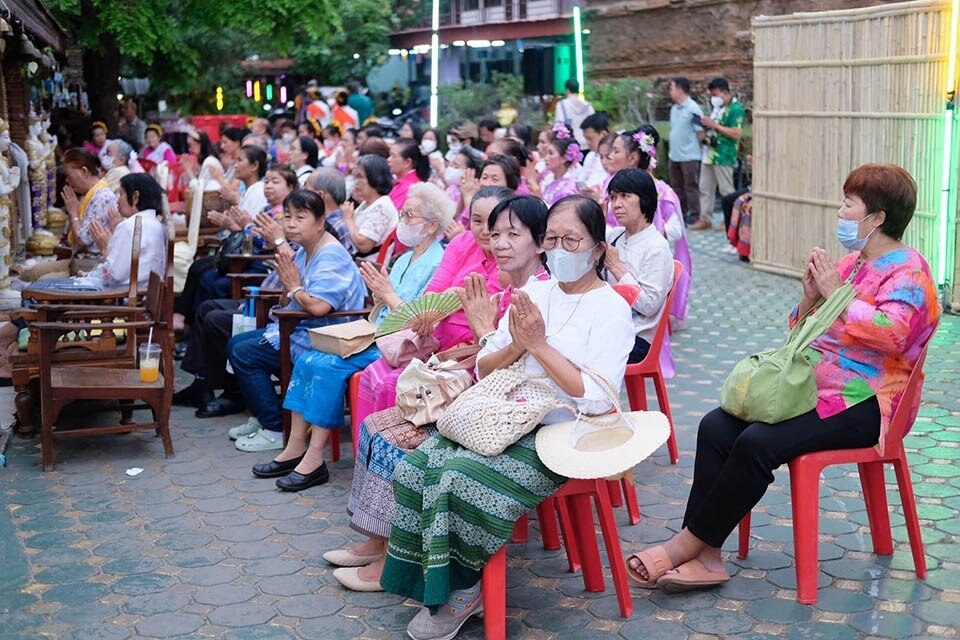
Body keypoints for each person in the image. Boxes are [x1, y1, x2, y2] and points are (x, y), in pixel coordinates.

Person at [625, 164, 940, 593]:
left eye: (849, 204)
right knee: (716, 426)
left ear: (878, 217)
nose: (841, 212)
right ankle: (709, 555)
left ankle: (685, 546)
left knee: (758, 443)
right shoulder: (850, 264)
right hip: (815, 389)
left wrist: (834, 296)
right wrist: (810, 298)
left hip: (867, 404)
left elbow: (894, 336)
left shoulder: (910, 273)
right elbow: (801, 334)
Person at [379, 195, 634, 639]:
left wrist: (538, 346)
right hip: (503, 413)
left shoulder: (611, 308)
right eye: (552, 238)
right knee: (417, 465)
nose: (559, 248)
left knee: (459, 476)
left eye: (571, 240)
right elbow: (485, 366)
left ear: (596, 250)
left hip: (563, 429)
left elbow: (595, 399)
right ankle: (443, 581)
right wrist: (518, 346)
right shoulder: (535, 291)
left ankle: (461, 590)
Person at [326, 193, 553, 593]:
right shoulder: (507, 287)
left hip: (504, 414)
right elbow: (490, 355)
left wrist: (481, 334)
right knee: (377, 427)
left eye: (511, 235)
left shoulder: (537, 295)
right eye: (493, 232)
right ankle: (377, 541)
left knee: (398, 441)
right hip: (478, 394)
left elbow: (513, 370)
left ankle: (393, 559)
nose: (497, 242)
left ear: (540, 241)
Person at [250, 183, 453, 488]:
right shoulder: (404, 258)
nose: (402, 221)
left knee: (326, 365)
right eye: (402, 213)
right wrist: (381, 293)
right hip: (378, 332)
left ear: (432, 225)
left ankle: (314, 457)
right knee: (308, 358)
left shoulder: (437, 261)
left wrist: (385, 293)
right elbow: (383, 303)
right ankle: (294, 447)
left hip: (406, 343)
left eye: (408, 215)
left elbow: (420, 318)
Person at [228, 189, 368, 452]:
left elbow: (318, 306)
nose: (291, 224)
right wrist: (289, 285)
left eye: (300, 217)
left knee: (244, 352)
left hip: (326, 337)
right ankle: (264, 417)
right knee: (238, 343)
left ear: (320, 223)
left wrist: (293, 287)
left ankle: (273, 426)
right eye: (287, 216)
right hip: (301, 328)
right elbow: (291, 294)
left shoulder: (331, 255)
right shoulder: (306, 249)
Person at [354, 186, 508, 420]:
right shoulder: (461, 243)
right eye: (477, 221)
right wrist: (427, 318)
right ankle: (369, 453)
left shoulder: (509, 256)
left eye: (493, 221)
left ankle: (400, 452)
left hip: (474, 353)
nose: (485, 230)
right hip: (434, 344)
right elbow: (433, 295)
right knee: (373, 374)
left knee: (396, 383)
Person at [603, 169, 674, 364]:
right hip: (609, 326)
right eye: (613, 197)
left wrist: (617, 268)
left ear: (644, 199)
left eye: (625, 196)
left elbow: (649, 305)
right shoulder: (615, 236)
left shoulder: (656, 246)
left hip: (636, 337)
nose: (617, 204)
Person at [694, 77, 746, 231]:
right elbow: (714, 128)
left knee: (726, 191)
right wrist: (704, 131)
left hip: (724, 155)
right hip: (709, 154)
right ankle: (705, 219)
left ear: (725, 92)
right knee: (705, 188)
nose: (713, 99)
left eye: (715, 95)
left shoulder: (737, 110)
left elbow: (736, 133)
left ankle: (729, 220)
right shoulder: (718, 109)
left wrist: (714, 125)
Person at [61, 148, 118, 258]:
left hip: (91, 263)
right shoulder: (90, 195)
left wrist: (73, 213)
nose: (67, 181)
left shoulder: (102, 198)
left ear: (84, 171)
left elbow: (83, 241)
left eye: (68, 175)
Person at [342, 155, 398, 256]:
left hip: (366, 268)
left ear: (375, 178)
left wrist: (348, 219)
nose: (356, 182)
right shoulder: (367, 203)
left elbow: (363, 245)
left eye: (360, 177)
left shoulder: (382, 207)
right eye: (356, 177)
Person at [668, 77, 704, 227]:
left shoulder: (693, 108)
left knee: (691, 187)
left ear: (680, 89)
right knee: (676, 187)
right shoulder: (674, 109)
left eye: (672, 88)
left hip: (689, 156)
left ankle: (695, 215)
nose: (670, 92)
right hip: (674, 155)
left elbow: (701, 133)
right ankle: (679, 213)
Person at [529, 124, 582, 206]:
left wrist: (540, 199)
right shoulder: (548, 177)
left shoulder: (570, 187)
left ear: (564, 158)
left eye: (551, 153)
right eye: (547, 153)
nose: (546, 158)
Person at [307, 168, 354, 254]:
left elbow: (308, 261)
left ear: (320, 195)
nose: (303, 195)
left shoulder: (336, 226)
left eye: (307, 190)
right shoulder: (323, 220)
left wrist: (280, 239)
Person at [387, 138, 429, 211]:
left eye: (393, 156)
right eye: (389, 155)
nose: (388, 159)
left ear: (407, 162)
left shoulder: (409, 187)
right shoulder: (400, 182)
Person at [553, 78, 595, 147]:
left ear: (567, 90)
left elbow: (559, 124)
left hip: (570, 144)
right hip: (587, 143)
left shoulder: (562, 105)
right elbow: (594, 123)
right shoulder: (588, 106)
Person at [579, 112, 610, 188]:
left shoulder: (614, 159)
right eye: (586, 139)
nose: (587, 143)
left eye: (590, 138)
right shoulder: (590, 155)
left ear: (604, 134)